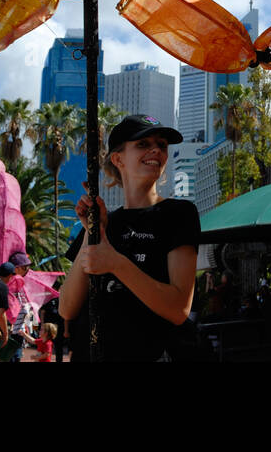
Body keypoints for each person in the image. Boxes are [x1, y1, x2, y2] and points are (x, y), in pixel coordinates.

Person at [59, 114, 199, 362]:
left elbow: (179, 309)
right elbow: (67, 308)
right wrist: (92, 233)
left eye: (162, 145)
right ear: (118, 158)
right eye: (143, 144)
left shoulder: (178, 214)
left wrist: (116, 262)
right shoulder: (102, 220)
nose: (156, 149)